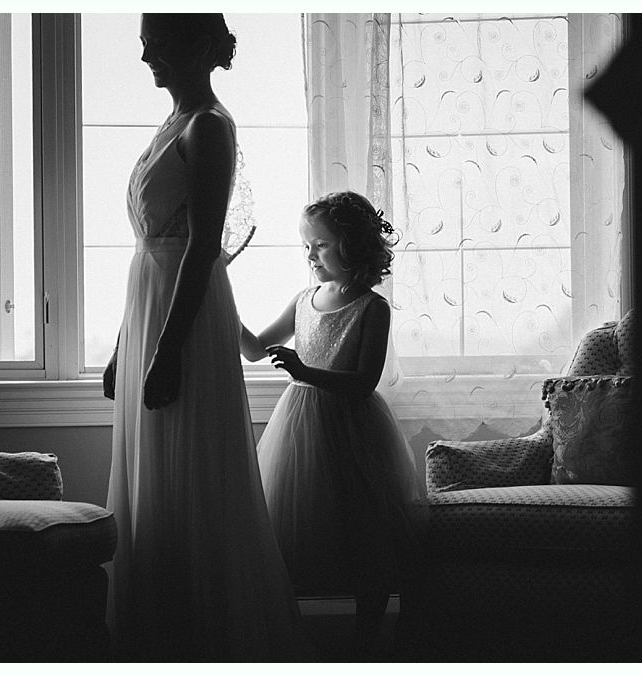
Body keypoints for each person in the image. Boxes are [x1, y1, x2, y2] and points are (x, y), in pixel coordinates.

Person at [103, 14, 302, 661]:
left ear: (190, 46)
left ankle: (201, 640)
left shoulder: (209, 127)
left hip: (185, 322)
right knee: (153, 477)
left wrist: (165, 352)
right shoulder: (172, 125)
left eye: (153, 43)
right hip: (152, 313)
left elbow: (200, 248)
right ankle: (156, 634)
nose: (143, 57)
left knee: (190, 473)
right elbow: (149, 258)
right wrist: (121, 346)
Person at [240, 191, 426, 658]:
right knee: (293, 533)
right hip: (300, 428)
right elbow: (254, 349)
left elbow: (363, 382)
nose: (310, 256)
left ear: (352, 245)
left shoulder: (371, 307)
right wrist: (225, 309)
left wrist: (304, 371)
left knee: (367, 536)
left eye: (319, 245)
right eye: (306, 246)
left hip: (353, 430)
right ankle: (293, 637)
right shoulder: (304, 299)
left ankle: (366, 642)